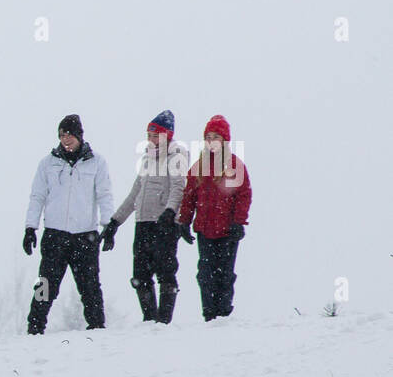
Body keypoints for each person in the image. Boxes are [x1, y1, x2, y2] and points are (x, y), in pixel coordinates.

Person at [23, 114, 114, 334]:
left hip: (85, 236)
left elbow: (104, 195)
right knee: (44, 284)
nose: (66, 139)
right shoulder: (47, 164)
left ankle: (97, 329)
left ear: (79, 136)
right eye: (62, 135)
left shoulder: (97, 162)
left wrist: (108, 226)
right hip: (55, 236)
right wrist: (30, 227)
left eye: (69, 135)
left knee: (90, 287)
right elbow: (37, 196)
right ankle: (34, 328)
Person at [100, 110, 189, 324]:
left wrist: (169, 212)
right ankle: (149, 319)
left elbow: (178, 188)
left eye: (155, 135)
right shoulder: (147, 160)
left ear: (167, 134)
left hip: (164, 223)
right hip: (143, 223)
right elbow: (134, 195)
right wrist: (114, 222)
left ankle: (164, 321)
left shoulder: (176, 156)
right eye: (149, 135)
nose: (151, 139)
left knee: (165, 273)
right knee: (140, 276)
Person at [177, 115, 251, 321]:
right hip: (204, 229)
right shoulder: (199, 166)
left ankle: (224, 314)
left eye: (215, 137)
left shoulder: (235, 165)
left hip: (227, 230)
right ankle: (209, 314)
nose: (211, 141)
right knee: (205, 274)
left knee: (225, 274)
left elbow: (244, 195)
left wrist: (239, 221)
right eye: (208, 137)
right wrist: (184, 220)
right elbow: (189, 196)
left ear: (224, 140)